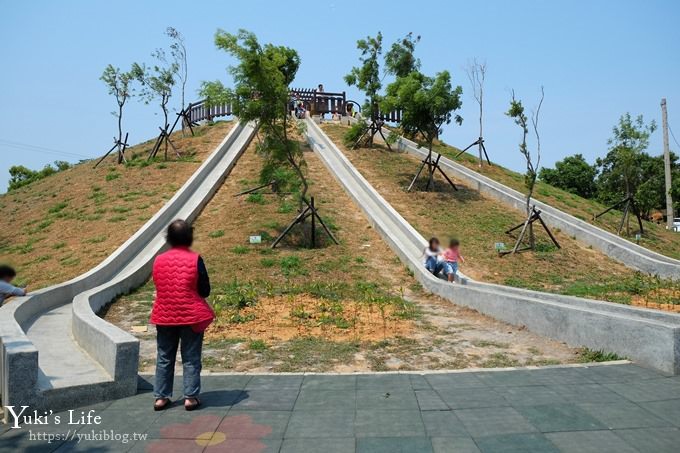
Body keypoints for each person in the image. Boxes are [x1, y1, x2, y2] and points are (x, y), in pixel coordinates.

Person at [150, 219, 214, 411]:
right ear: (189, 237)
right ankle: (190, 397)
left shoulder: (158, 260)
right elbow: (205, 290)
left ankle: (161, 397)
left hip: (164, 314)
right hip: (190, 316)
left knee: (164, 356)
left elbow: (160, 285)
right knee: (191, 357)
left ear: (168, 239)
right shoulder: (195, 259)